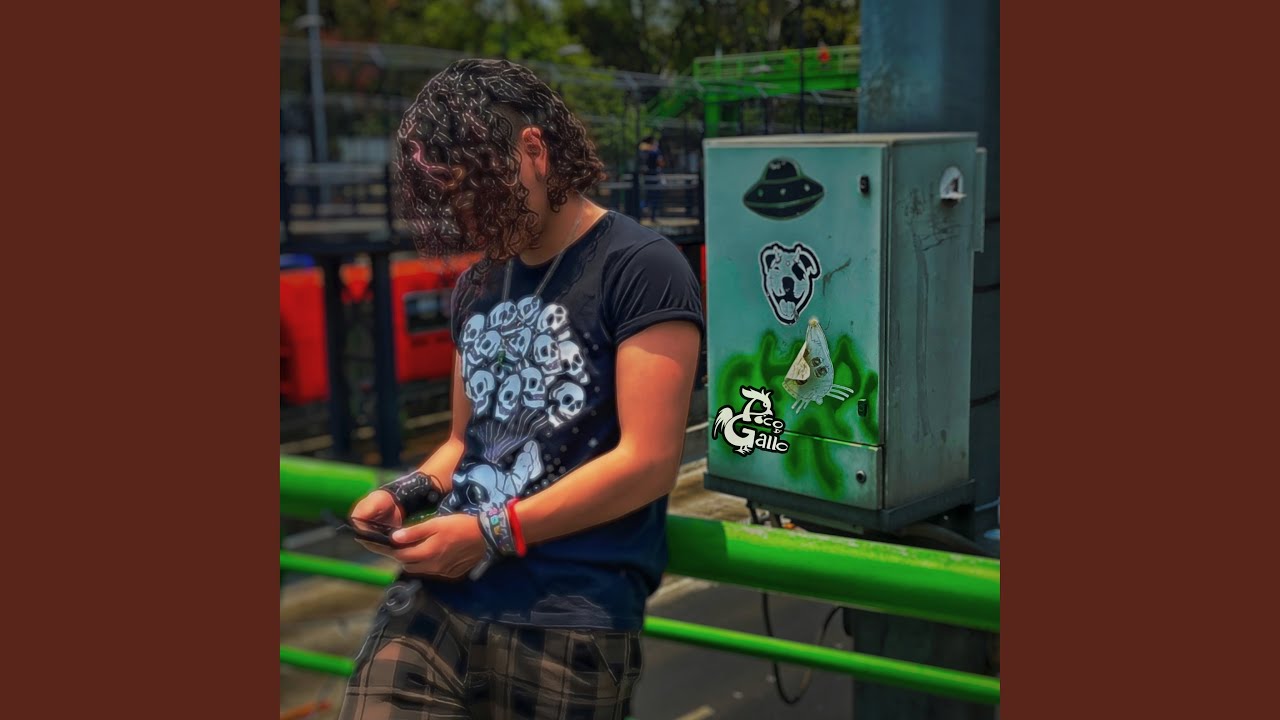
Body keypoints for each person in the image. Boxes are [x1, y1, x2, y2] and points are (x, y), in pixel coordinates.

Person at [337, 58, 705, 720]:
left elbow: (649, 462)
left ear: (534, 150)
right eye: (452, 200)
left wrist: (490, 533)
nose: (468, 218)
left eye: (479, 193)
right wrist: (402, 494)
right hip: (440, 595)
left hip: (570, 614)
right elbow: (462, 442)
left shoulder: (642, 266)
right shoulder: (477, 284)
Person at [636, 135, 664, 221]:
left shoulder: (643, 150)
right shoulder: (655, 151)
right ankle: (652, 215)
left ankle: (644, 213)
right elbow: (660, 162)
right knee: (653, 196)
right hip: (653, 176)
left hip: (646, 176)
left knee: (645, 195)